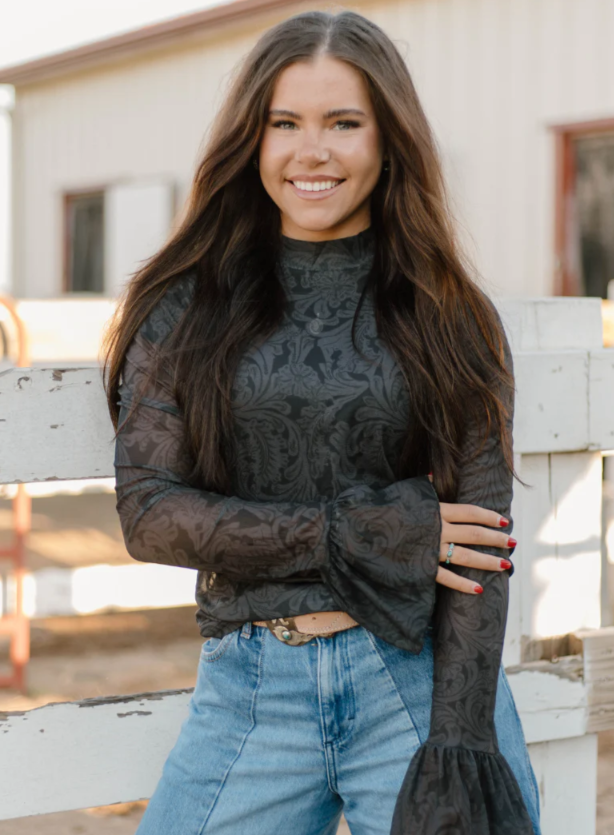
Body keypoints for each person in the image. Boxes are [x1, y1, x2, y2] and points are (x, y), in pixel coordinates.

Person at [103, 10, 541, 835]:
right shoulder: (185, 305)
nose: (314, 151)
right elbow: (151, 514)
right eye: (285, 123)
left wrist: (458, 739)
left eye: (345, 122)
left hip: (411, 684)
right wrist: (368, 532)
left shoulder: (452, 315)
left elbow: (485, 546)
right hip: (252, 689)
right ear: (253, 138)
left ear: (387, 139)